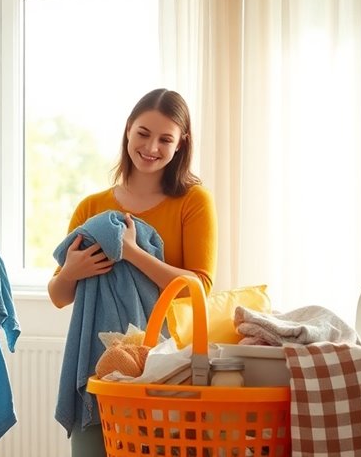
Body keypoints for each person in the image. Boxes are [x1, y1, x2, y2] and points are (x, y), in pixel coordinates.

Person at [47, 88, 218, 456]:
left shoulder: (193, 201)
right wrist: (72, 271)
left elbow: (198, 288)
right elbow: (60, 297)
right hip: (101, 363)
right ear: (128, 130)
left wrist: (133, 253)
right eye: (143, 133)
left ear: (180, 144)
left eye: (165, 139)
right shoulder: (92, 207)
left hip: (168, 364)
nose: (151, 147)